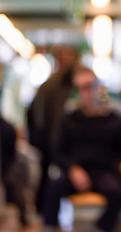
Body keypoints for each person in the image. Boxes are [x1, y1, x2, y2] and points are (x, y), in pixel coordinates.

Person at [43, 67, 121, 232]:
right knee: (53, 187)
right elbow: (58, 152)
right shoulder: (69, 120)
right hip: (76, 171)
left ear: (98, 87)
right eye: (80, 88)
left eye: (88, 86)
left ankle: (100, 228)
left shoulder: (114, 120)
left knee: (118, 192)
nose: (85, 92)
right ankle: (49, 227)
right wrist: (73, 169)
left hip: (102, 172)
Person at [26, 45, 80, 214]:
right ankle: (46, 216)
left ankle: (46, 215)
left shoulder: (70, 86)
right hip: (50, 141)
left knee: (53, 180)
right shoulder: (50, 86)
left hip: (58, 141)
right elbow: (36, 115)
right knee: (49, 180)